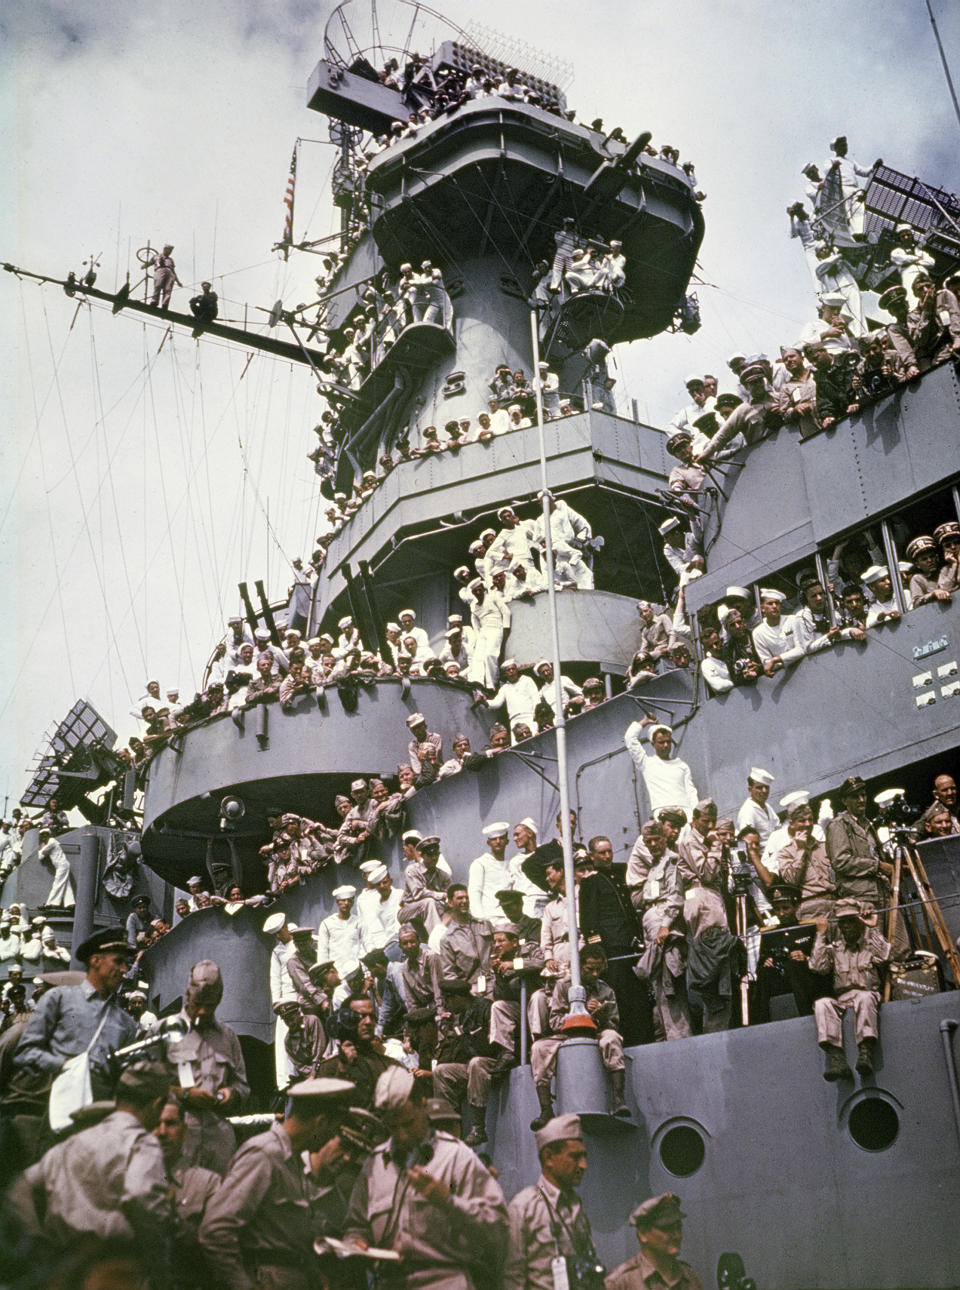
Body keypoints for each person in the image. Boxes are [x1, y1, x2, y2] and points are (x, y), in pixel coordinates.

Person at [344, 1066, 509, 1287]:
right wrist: (356, 1241)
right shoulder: (375, 1165)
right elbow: (356, 1224)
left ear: (423, 1105)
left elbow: (498, 1228)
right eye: (393, 1127)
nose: (402, 1135)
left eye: (408, 1123)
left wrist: (448, 1202)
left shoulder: (456, 1157)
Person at [199, 1076, 356, 1290]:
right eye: (332, 1130)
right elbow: (215, 1230)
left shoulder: (292, 1161)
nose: (330, 1139)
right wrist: (244, 1286)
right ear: (320, 1122)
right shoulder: (265, 1154)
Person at [9, 1062, 173, 1256]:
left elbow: (20, 1188)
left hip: (64, 1264)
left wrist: (37, 1239)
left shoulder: (72, 1143)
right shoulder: (142, 1143)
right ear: (158, 1104)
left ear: (117, 1098)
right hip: (113, 1262)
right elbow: (142, 1196)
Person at [6, 927, 137, 1124]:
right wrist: (64, 1065)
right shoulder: (59, 999)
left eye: (127, 964)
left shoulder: (126, 1023)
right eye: (118, 961)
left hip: (92, 1121)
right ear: (95, 960)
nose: (125, 970)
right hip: (47, 1112)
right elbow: (26, 1052)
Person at [162, 960, 249, 1175]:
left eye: (209, 1005)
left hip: (218, 1136)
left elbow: (243, 1085)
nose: (202, 1011)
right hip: (176, 1136)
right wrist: (182, 1094)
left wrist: (233, 1094)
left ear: (219, 1000)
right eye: (197, 1003)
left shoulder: (228, 1037)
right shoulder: (163, 1030)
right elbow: (142, 1085)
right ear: (187, 996)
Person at [530, 944, 628, 1129]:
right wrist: (579, 1015)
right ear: (579, 966)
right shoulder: (563, 986)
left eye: (599, 970)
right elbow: (555, 1021)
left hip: (597, 1032)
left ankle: (618, 1099)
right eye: (589, 969)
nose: (595, 974)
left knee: (612, 1039)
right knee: (539, 1048)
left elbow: (614, 1023)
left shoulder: (606, 991)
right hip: (566, 1034)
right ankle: (546, 1110)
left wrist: (600, 1016)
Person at [504, 1113, 603, 1290]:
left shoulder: (574, 1203)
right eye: (575, 1156)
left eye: (584, 1156)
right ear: (549, 1157)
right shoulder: (524, 1208)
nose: (583, 1165)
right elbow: (512, 1277)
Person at [810, 898, 892, 1080]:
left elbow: (885, 955)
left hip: (867, 996)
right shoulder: (835, 948)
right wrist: (821, 935)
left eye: (851, 921)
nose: (847, 926)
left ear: (859, 922)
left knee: (864, 998)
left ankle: (865, 1052)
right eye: (843, 922)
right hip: (842, 999)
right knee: (822, 1004)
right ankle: (836, 1058)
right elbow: (817, 966)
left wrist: (873, 927)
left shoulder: (870, 944)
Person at [154, 1097, 221, 1241]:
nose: (162, 1132)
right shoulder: (130, 1180)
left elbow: (214, 1241)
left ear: (184, 1131)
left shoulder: (207, 1183)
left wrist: (175, 1220)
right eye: (155, 1124)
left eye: (170, 1124)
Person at [605, 1193, 702, 1290]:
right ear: (643, 1234)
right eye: (667, 1229)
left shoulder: (688, 1276)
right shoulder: (620, 1282)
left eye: (678, 1227)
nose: (677, 1236)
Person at [623, 714, 699, 814]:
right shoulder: (647, 764)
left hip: (685, 813)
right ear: (653, 743)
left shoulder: (682, 765)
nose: (666, 745)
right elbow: (630, 738)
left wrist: (695, 815)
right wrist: (644, 721)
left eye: (668, 741)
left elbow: (691, 792)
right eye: (661, 742)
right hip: (663, 814)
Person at [468, 822, 513, 924]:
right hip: (489, 918)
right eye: (494, 839)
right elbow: (474, 893)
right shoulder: (480, 864)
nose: (498, 842)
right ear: (488, 843)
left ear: (507, 841)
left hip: (509, 918)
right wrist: (481, 920)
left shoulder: (511, 865)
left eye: (501, 838)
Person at [735, 768, 778, 845]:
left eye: (766, 787)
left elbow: (778, 828)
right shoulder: (748, 811)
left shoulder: (767, 807)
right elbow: (748, 843)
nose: (764, 791)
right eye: (759, 787)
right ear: (750, 789)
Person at [37, 828, 75, 909]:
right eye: (42, 835)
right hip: (60, 866)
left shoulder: (52, 841)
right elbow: (41, 857)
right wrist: (42, 850)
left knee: (57, 883)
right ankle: (70, 903)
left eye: (46, 834)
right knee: (65, 884)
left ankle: (51, 903)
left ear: (49, 835)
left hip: (62, 865)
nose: (44, 836)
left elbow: (43, 852)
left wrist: (41, 847)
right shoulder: (49, 844)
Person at [149, 244, 181, 308]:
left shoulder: (171, 260)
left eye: (171, 251)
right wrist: (144, 266)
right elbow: (150, 263)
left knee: (168, 289)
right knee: (158, 286)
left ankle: (165, 304)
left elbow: (173, 270)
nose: (170, 252)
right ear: (165, 249)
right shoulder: (156, 256)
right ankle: (154, 301)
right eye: (169, 250)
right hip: (160, 270)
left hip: (170, 273)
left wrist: (178, 281)